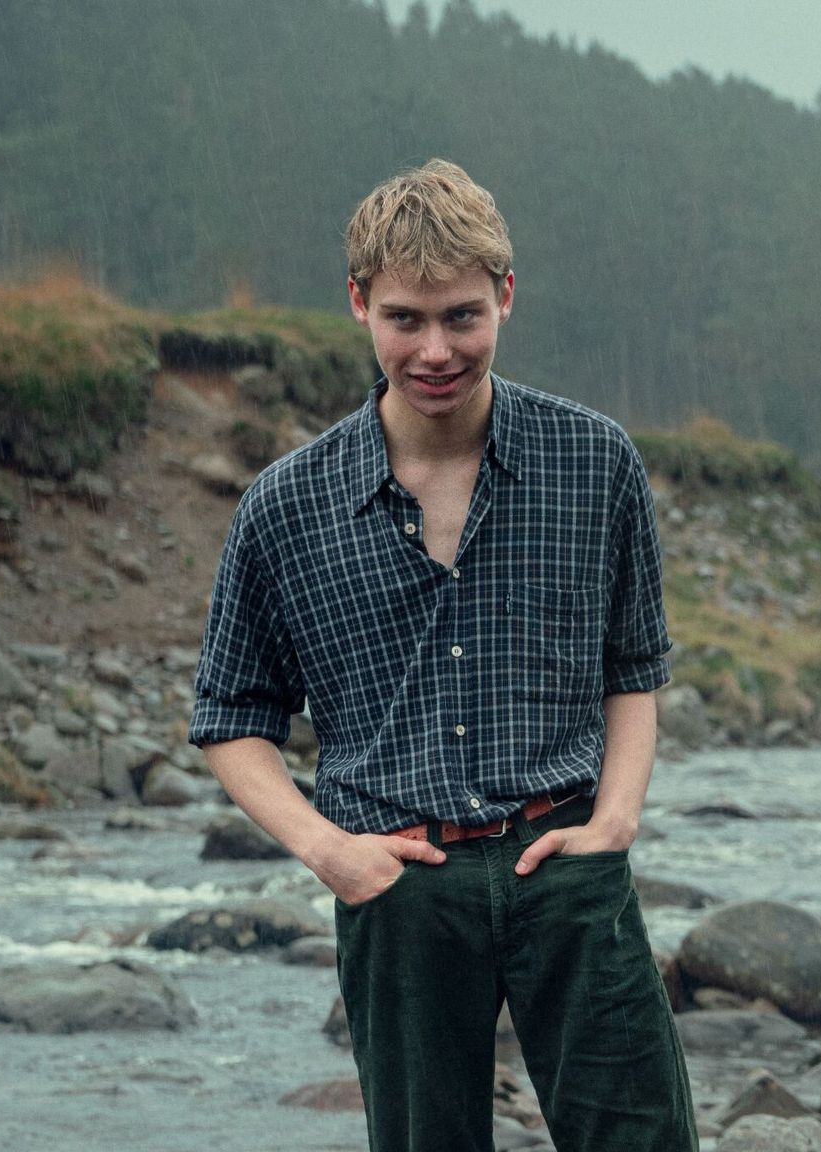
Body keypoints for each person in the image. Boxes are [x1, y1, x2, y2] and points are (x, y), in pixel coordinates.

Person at [189, 159, 696, 1152]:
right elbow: (230, 720)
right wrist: (327, 852)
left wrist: (617, 821)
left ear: (505, 296)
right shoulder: (286, 507)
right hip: (397, 886)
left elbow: (631, 668)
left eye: (461, 316)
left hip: (566, 865)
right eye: (405, 320)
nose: (434, 350)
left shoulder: (594, 462)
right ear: (359, 305)